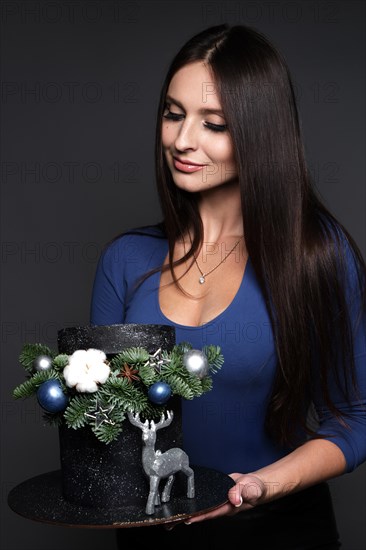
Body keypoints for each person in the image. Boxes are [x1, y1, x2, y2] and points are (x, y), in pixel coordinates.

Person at [90, 24, 366, 549]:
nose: (181, 140)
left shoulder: (317, 255)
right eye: (173, 115)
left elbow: (357, 419)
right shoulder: (125, 258)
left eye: (213, 124)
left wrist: (265, 484)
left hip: (278, 530)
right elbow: (104, 424)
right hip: (151, 533)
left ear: (261, 133)